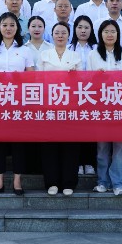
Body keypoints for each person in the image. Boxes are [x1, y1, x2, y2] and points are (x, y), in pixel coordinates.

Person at [0, 12, 35, 195]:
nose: (8, 28)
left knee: (18, 143)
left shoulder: (25, 50)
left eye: (12, 25)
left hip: (18, 103)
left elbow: (31, 77)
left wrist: (19, 79)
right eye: (5, 25)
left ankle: (17, 181)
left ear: (17, 28)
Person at [88, 19, 122, 196]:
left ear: (118, 34)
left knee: (120, 147)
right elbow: (87, 82)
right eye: (106, 31)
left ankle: (119, 183)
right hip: (100, 106)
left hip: (121, 107)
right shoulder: (93, 55)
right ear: (100, 34)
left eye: (113, 31)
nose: (110, 34)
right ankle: (103, 181)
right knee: (102, 147)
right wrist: (96, 77)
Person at [39, 21, 81, 196]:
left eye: (64, 32)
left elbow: (81, 81)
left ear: (69, 35)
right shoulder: (44, 55)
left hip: (70, 106)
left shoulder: (75, 55)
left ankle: (68, 182)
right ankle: (52, 182)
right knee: (50, 145)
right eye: (57, 32)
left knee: (70, 145)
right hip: (49, 106)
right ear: (52, 35)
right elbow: (38, 81)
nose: (60, 35)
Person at [69, 15, 98, 176]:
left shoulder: (97, 48)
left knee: (91, 131)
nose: (83, 30)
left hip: (93, 95)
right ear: (75, 29)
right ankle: (78, 163)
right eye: (80, 27)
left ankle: (89, 162)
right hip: (73, 95)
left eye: (86, 27)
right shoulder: (68, 48)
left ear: (91, 30)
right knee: (76, 131)